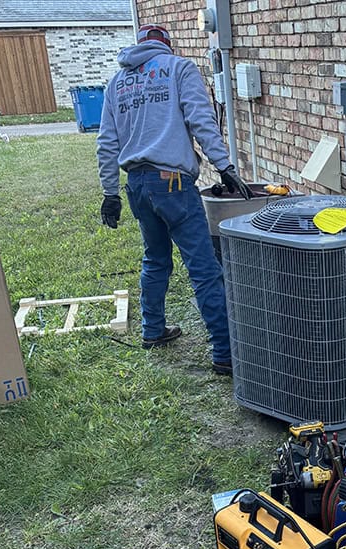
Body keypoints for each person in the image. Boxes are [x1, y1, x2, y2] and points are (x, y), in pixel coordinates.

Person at [96, 23, 250, 375]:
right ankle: (226, 353)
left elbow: (106, 142)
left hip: (137, 184)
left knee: (155, 259)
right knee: (203, 267)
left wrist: (110, 193)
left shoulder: (117, 83)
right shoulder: (179, 68)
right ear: (167, 45)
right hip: (173, 184)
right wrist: (224, 166)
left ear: (139, 45)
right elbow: (201, 121)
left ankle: (153, 330)